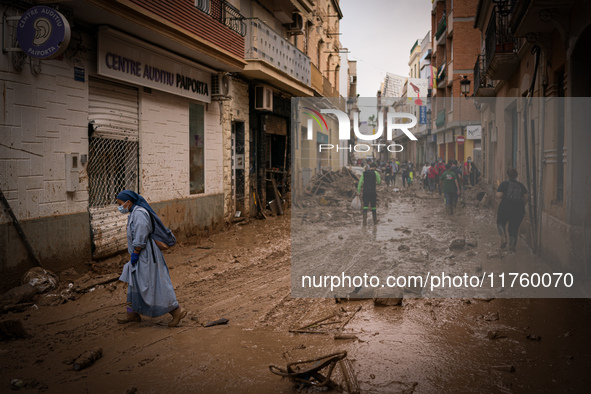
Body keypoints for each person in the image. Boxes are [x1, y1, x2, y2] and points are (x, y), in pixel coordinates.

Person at [116, 190, 187, 327]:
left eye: (120, 204)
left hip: (145, 256)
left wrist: (136, 252)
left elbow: (141, 235)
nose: (119, 207)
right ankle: (132, 314)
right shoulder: (134, 213)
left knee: (155, 285)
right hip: (140, 255)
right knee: (134, 283)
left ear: (128, 202)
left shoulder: (139, 213)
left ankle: (177, 311)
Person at [496, 168, 528, 251]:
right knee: (514, 228)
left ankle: (503, 236)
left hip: (505, 207)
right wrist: (522, 204)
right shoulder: (520, 185)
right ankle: (512, 247)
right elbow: (526, 197)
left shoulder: (503, 184)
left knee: (500, 222)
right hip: (518, 209)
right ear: (516, 176)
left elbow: (498, 195)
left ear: (507, 175)